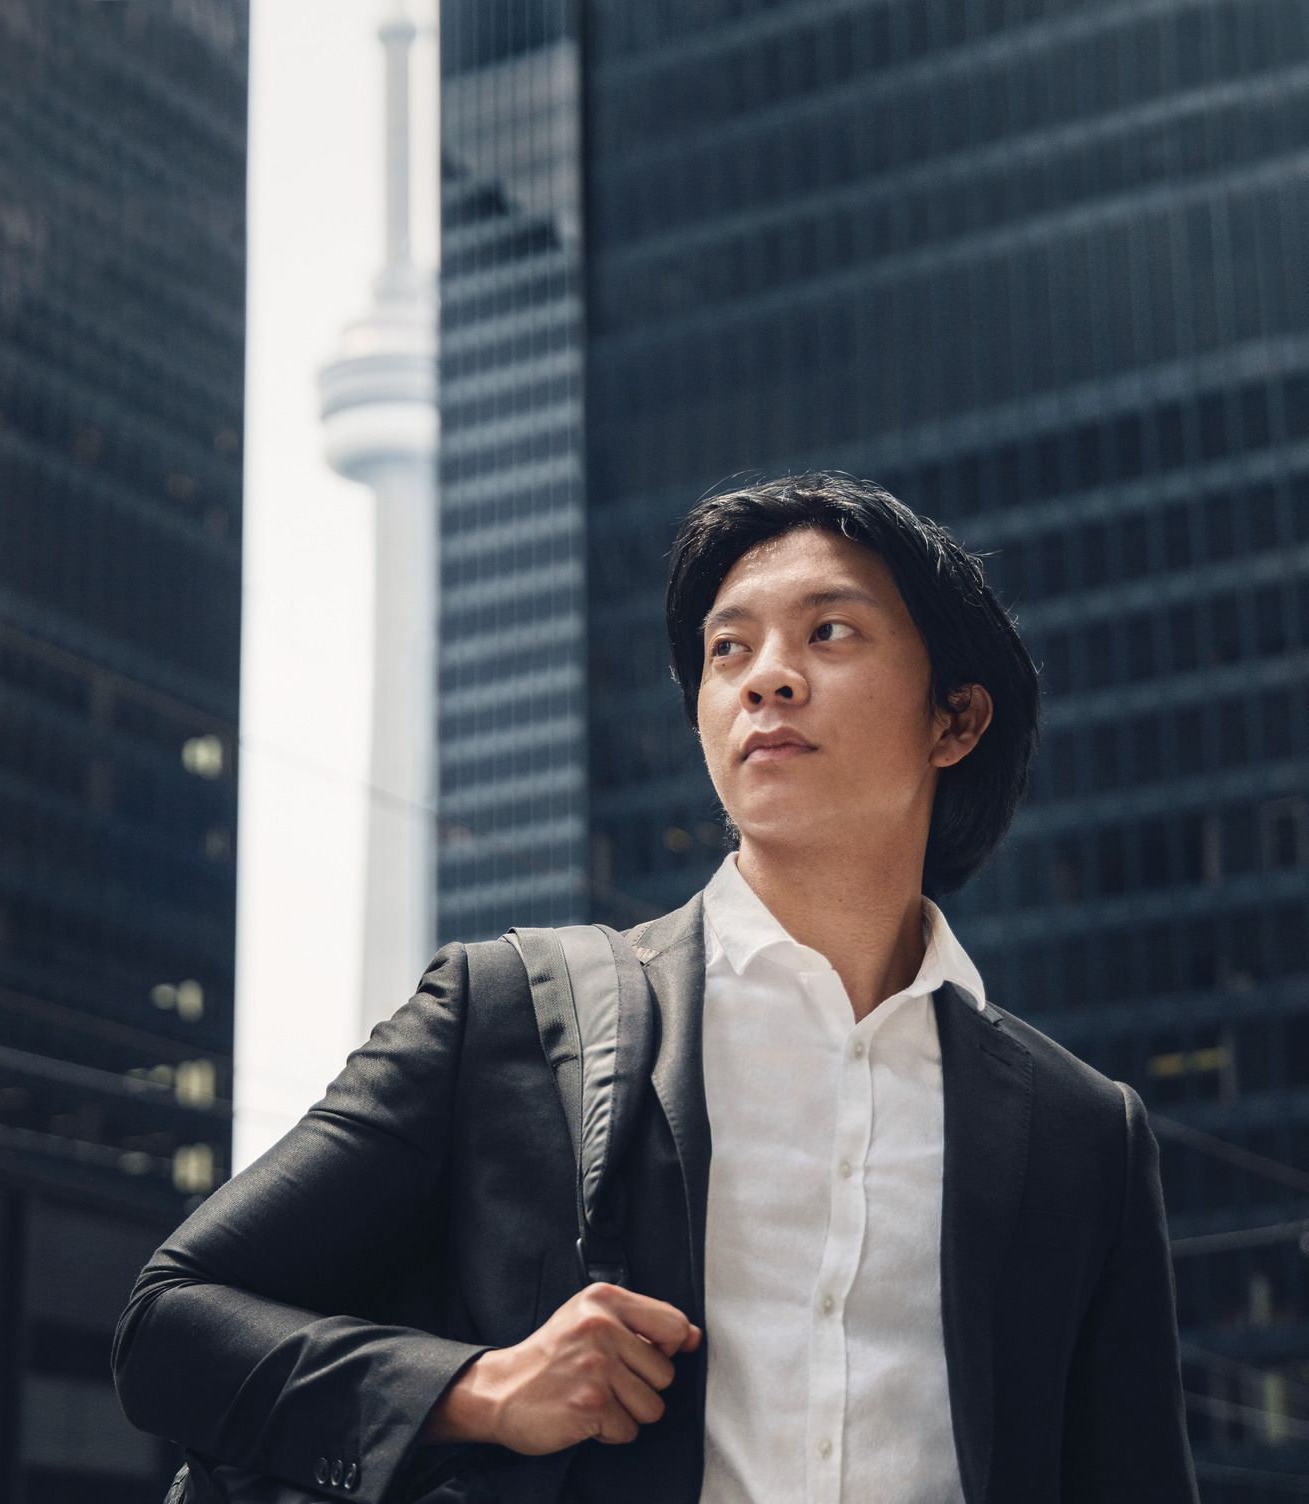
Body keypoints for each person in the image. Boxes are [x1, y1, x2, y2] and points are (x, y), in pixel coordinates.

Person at [115, 474, 1198, 1504]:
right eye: (729, 649)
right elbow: (170, 1324)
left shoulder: (1082, 1132)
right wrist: (473, 1389)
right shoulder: (503, 1013)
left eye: (829, 631)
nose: (765, 675)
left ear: (953, 719)